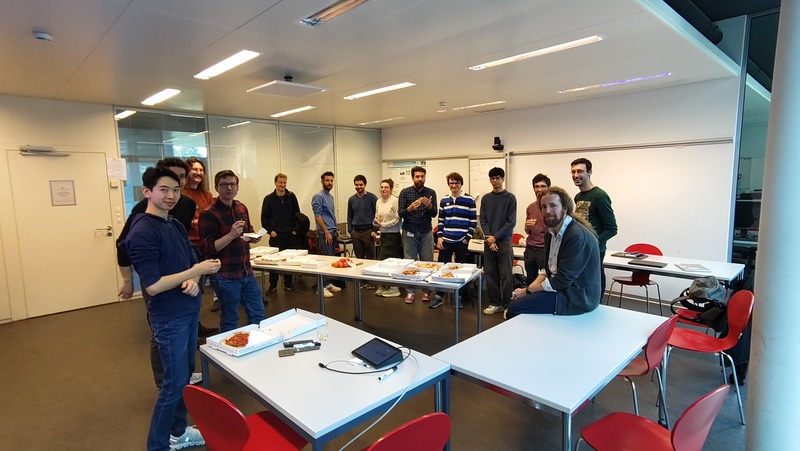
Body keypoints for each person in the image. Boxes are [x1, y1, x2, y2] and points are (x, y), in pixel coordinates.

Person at [122, 165, 221, 451]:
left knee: (185, 379)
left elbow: (189, 263)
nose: (171, 196)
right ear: (147, 192)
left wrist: (193, 276)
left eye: (176, 190)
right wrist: (199, 269)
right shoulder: (142, 230)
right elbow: (152, 286)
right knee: (173, 384)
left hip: (188, 312)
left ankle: (177, 433)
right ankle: (158, 445)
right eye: (164, 190)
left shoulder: (174, 224)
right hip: (169, 319)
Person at [506, 186, 601, 319]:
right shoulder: (550, 233)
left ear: (565, 208)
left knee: (515, 308)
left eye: (553, 206)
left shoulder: (576, 236)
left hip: (577, 297)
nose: (547, 211)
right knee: (520, 303)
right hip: (563, 289)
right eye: (544, 207)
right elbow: (547, 269)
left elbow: (562, 280)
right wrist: (528, 290)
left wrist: (528, 291)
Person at [198, 170, 265, 333]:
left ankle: (255, 347)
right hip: (225, 275)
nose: (229, 188)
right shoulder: (208, 214)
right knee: (230, 318)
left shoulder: (241, 208)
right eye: (224, 184)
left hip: (246, 270)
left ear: (237, 187)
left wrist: (253, 236)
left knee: (258, 314)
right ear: (216, 187)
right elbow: (209, 248)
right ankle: (229, 354)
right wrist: (231, 235)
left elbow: (247, 232)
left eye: (232, 184)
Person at [571, 158, 617, 298]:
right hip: (581, 247)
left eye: (580, 171)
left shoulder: (600, 196)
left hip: (596, 248)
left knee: (595, 278)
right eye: (573, 172)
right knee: (583, 279)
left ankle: (599, 302)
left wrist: (595, 242)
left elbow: (612, 228)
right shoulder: (578, 196)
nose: (576, 175)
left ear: (589, 172)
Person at [431, 172, 477, 309]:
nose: (454, 185)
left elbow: (473, 222)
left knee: (461, 271)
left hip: (461, 241)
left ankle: (459, 297)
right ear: (448, 185)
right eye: (451, 183)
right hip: (446, 240)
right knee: (441, 269)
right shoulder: (444, 200)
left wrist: (467, 238)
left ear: (461, 184)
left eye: (457, 183)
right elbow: (441, 221)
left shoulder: (470, 200)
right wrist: (439, 237)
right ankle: (439, 296)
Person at [181, 157, 221, 313]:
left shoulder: (206, 194)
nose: (198, 173)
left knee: (206, 284)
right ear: (187, 172)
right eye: (195, 170)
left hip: (206, 244)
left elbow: (213, 215)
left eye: (201, 170)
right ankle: (193, 326)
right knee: (193, 285)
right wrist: (196, 222)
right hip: (189, 245)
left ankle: (198, 324)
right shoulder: (182, 193)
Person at [398, 166, 438, 304]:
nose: (420, 179)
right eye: (417, 176)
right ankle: (410, 292)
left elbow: (434, 214)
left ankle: (426, 291)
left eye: (422, 176)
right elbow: (400, 213)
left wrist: (429, 206)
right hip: (410, 231)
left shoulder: (431, 192)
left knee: (427, 262)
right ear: (413, 178)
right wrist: (410, 209)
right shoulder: (405, 192)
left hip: (426, 231)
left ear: (425, 177)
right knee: (410, 262)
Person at [480, 167, 517, 315]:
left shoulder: (510, 198)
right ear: (490, 180)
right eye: (492, 178)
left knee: (506, 275)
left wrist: (495, 238)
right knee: (490, 273)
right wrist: (490, 238)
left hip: (504, 242)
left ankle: (507, 305)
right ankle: (494, 303)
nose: (495, 181)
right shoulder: (486, 198)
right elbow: (483, 220)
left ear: (503, 179)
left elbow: (511, 222)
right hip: (489, 242)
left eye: (498, 178)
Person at [261, 173, 301, 294]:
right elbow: (264, 218)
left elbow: (297, 214)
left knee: (289, 261)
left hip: (289, 235)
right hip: (276, 236)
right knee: (273, 262)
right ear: (275, 183)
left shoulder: (291, 197)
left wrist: (295, 229)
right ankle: (273, 285)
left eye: (284, 182)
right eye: (280, 183)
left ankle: (288, 284)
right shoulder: (268, 199)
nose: (282, 185)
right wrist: (270, 231)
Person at [311, 171, 342, 298]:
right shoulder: (318, 196)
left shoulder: (330, 197)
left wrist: (336, 229)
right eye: (327, 180)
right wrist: (326, 232)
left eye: (331, 180)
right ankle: (321, 287)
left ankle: (327, 283)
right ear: (322, 181)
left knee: (331, 260)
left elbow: (331, 214)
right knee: (325, 260)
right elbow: (318, 216)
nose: (329, 183)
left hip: (332, 231)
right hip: (325, 233)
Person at [373, 179, 402, 298]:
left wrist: (383, 225)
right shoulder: (378, 201)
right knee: (383, 262)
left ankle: (394, 287)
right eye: (382, 187)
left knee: (389, 261)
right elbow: (377, 216)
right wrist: (376, 223)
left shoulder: (395, 201)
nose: (383, 189)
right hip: (383, 235)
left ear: (391, 189)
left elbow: (397, 219)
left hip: (393, 235)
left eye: (386, 187)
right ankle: (385, 286)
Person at [523, 173, 551, 284]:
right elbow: (527, 231)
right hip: (530, 249)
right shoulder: (531, 207)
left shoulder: (552, 206)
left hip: (545, 249)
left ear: (548, 187)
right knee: (530, 279)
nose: (539, 189)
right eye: (536, 186)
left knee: (547, 280)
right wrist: (527, 226)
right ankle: (531, 300)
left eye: (543, 186)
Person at [347, 175, 379, 261]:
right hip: (356, 233)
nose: (359, 187)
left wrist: (374, 230)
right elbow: (349, 216)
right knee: (358, 258)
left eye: (361, 185)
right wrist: (350, 230)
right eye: (357, 185)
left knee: (370, 258)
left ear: (365, 185)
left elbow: (377, 215)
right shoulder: (351, 199)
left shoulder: (372, 198)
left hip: (368, 232)